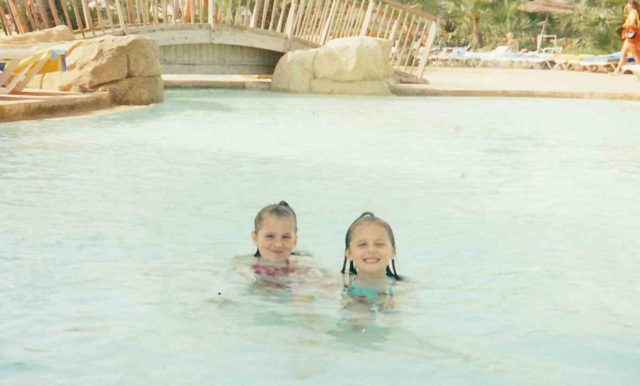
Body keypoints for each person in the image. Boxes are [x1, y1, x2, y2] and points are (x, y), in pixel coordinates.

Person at [340, 212, 401, 301]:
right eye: (362, 245)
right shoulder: (339, 287)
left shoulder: (403, 291)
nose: (371, 250)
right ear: (349, 253)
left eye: (379, 244)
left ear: (393, 251)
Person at [250, 200, 300, 277]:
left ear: (295, 241)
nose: (278, 244)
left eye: (286, 237)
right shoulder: (244, 267)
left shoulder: (304, 268)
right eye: (270, 236)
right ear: (255, 238)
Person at [613, 0, 640, 74]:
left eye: (628, 5)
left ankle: (639, 71)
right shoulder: (632, 12)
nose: (627, 7)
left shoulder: (634, 12)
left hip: (632, 36)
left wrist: (626, 25)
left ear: (631, 5)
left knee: (635, 54)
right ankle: (617, 71)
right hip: (630, 35)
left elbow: (632, 22)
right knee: (623, 53)